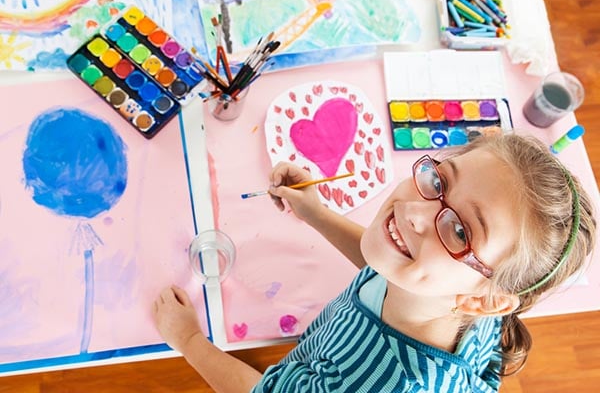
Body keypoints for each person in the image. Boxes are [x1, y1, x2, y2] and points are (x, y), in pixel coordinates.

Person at [153, 133, 596, 392]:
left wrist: (190, 339)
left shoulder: (375, 383)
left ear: (486, 301)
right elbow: (380, 262)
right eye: (439, 180)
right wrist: (316, 213)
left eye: (461, 232)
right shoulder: (447, 294)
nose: (414, 214)